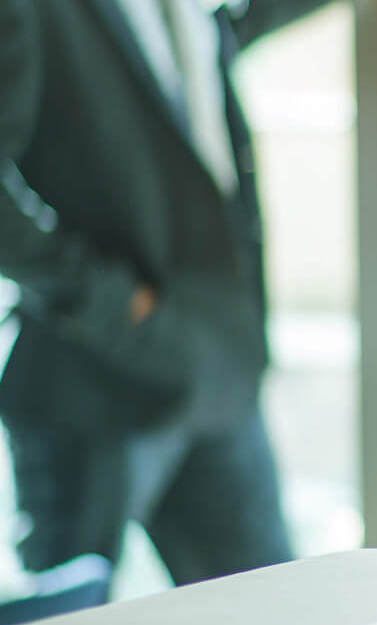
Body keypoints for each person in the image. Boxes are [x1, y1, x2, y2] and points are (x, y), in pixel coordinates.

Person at [0, 0, 336, 593]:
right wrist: (106, 299)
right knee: (72, 608)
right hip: (98, 374)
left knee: (277, 606)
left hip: (216, 362)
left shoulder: (196, 10)